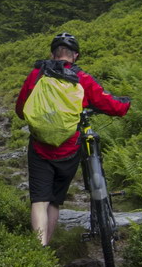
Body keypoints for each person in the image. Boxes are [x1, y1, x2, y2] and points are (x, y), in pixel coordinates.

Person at [14, 32, 131, 246]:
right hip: (68, 150)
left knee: (39, 201)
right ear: (75, 56)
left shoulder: (37, 74)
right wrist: (125, 105)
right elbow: (109, 104)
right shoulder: (81, 78)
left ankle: (39, 252)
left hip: (40, 147)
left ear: (52, 54)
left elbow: (21, 110)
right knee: (55, 202)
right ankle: (47, 244)